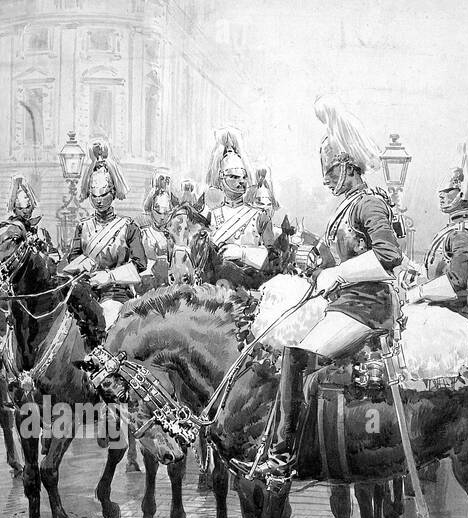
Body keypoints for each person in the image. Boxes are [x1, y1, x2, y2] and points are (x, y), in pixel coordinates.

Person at [248, 95, 403, 477]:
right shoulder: (346, 207)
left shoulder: (369, 203)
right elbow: (326, 255)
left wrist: (338, 274)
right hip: (344, 305)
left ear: (350, 167)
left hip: (367, 308)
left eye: (332, 172)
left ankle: (286, 452)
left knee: (297, 355)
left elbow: (388, 256)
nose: (326, 180)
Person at [408, 139, 468, 324]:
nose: (441, 194)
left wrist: (417, 293)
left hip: (455, 317)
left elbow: (457, 282)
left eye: (448, 190)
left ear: (462, 192)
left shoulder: (462, 235)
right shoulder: (456, 230)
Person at [63, 141, 146, 330]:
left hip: (116, 294)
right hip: (84, 293)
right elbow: (73, 259)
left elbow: (139, 264)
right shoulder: (82, 227)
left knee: (105, 322)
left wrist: (109, 277)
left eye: (104, 194)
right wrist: (82, 264)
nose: (99, 201)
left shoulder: (128, 226)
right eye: (94, 195)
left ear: (113, 192)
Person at [190, 129, 276, 283]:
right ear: (221, 178)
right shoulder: (208, 215)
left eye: (243, 177)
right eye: (234, 177)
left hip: (250, 287)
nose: (241, 182)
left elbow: (274, 260)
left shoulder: (260, 216)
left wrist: (242, 254)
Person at [140, 174, 182, 292]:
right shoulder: (146, 234)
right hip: (151, 283)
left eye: (166, 213)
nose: (162, 217)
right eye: (158, 212)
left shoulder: (174, 236)